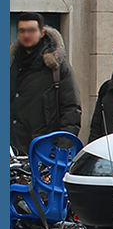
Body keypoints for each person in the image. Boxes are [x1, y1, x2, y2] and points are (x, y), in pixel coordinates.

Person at [10, 12, 81, 155]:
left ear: (42, 33)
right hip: (12, 153)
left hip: (45, 152)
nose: (26, 35)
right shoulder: (11, 64)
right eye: (22, 31)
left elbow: (71, 111)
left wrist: (60, 150)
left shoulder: (57, 68)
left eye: (31, 30)